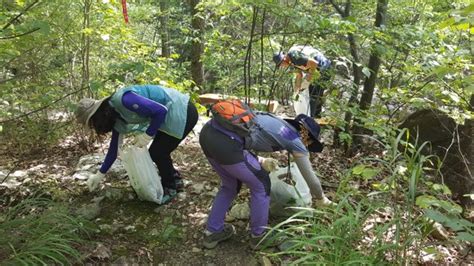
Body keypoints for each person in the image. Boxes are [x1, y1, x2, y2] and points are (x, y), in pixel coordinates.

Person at [199, 110, 334, 250]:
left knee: (230, 185)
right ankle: (259, 236)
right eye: (310, 141)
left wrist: (260, 160)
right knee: (262, 184)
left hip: (209, 133)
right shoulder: (296, 140)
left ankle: (212, 232)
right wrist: (321, 198)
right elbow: (310, 178)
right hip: (227, 143)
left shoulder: (278, 124)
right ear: (306, 135)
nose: (308, 145)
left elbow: (240, 138)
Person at [75, 84, 198, 203]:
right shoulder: (116, 118)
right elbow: (113, 150)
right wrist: (99, 175)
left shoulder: (124, 100)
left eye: (93, 123)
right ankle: (175, 180)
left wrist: (147, 135)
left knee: (158, 152)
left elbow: (160, 111)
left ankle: (170, 188)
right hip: (171, 116)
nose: (94, 127)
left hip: (183, 110)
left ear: (98, 115)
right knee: (158, 151)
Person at [273, 45, 332, 118]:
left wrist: (307, 81)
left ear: (284, 59)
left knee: (314, 93)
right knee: (311, 93)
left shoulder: (295, 56)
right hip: (317, 70)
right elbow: (299, 75)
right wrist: (296, 90)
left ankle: (313, 118)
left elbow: (314, 63)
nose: (282, 66)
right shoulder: (291, 62)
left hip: (324, 68)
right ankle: (314, 117)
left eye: (281, 64)